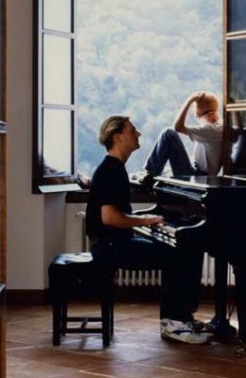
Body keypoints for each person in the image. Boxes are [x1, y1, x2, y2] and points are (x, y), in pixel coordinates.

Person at [86, 115, 211, 344]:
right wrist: (144, 221)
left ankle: (180, 318)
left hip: (112, 243)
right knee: (177, 253)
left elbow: (117, 215)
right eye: (132, 131)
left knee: (179, 248)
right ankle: (174, 324)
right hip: (110, 247)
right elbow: (110, 218)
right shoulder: (111, 171)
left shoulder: (114, 168)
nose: (139, 134)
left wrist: (145, 219)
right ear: (117, 137)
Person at [137, 91, 223, 185]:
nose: (197, 119)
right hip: (198, 173)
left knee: (169, 133)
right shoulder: (219, 126)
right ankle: (149, 174)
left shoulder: (211, 130)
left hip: (199, 177)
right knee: (147, 174)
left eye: (198, 115)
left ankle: (149, 175)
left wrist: (189, 101)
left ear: (210, 114)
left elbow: (177, 127)